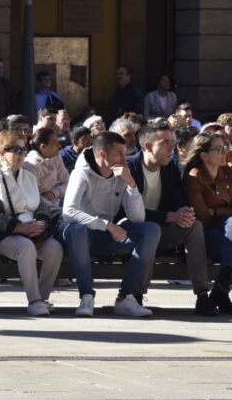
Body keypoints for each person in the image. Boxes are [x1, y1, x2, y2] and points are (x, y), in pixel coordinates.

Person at [61, 131, 161, 318]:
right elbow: (69, 212)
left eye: (125, 152)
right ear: (102, 154)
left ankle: (125, 298)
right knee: (77, 230)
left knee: (150, 230)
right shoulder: (81, 173)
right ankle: (86, 297)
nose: (125, 158)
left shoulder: (122, 173)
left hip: (107, 236)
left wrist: (131, 184)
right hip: (81, 238)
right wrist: (107, 225)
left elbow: (138, 218)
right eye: (119, 153)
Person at [129, 120, 217, 316]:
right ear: (148, 146)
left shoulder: (170, 167)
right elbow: (127, 213)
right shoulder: (130, 167)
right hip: (132, 232)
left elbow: (178, 199)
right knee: (151, 230)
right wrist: (169, 216)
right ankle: (136, 296)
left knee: (194, 226)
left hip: (162, 230)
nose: (172, 147)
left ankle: (203, 295)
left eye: (172, 141)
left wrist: (184, 212)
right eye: (165, 142)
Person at [0, 129, 63, 316]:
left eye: (24, 150)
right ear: (1, 154)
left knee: (54, 248)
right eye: (16, 150)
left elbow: (41, 205)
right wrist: (19, 228)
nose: (22, 154)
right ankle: (34, 301)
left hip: (30, 230)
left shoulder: (28, 176)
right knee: (25, 247)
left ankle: (42, 298)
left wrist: (42, 222)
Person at [182, 132, 232, 314]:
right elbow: (203, 216)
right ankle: (222, 289)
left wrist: (216, 211)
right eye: (218, 149)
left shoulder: (227, 172)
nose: (224, 152)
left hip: (226, 230)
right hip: (205, 233)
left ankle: (221, 288)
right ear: (204, 156)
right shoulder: (193, 177)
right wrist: (223, 212)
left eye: (225, 148)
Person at [24, 127, 69, 214]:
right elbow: (33, 200)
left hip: (57, 206)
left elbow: (68, 183)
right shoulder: (30, 166)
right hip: (39, 213)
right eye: (55, 143)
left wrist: (54, 192)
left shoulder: (56, 158)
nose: (59, 146)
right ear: (43, 147)